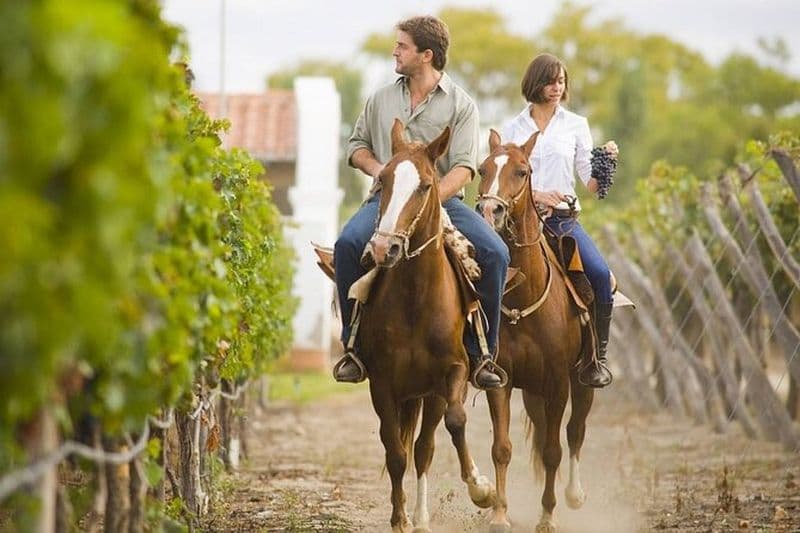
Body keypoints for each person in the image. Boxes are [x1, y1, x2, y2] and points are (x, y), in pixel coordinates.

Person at [333, 15, 510, 390]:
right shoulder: (381, 98)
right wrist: (383, 172)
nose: (395, 51)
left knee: (496, 253)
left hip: (443, 203)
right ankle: (353, 347)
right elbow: (356, 147)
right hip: (384, 201)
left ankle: (483, 355)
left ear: (426, 55)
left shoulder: (462, 105)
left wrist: (427, 202)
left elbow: (463, 168)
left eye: (402, 46)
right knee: (347, 244)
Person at [500, 53, 614, 388]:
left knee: (600, 276)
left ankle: (597, 358)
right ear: (535, 82)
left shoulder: (576, 124)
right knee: (482, 269)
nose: (557, 87)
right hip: (519, 223)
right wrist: (536, 196)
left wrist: (606, 162)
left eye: (561, 81)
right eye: (550, 80)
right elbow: (506, 179)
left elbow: (590, 184)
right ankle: (482, 352)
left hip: (562, 221)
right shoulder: (513, 126)